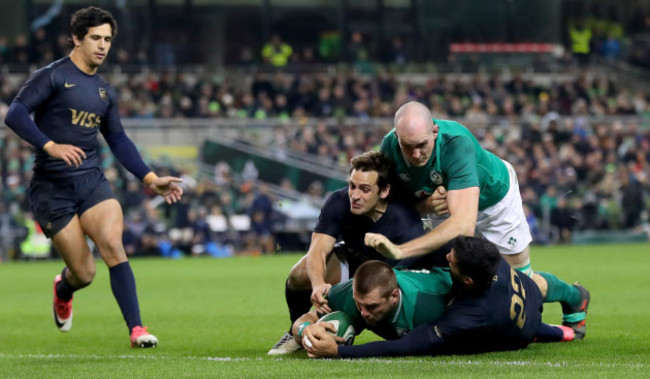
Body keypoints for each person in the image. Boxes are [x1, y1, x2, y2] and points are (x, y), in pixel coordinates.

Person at [4, 6, 183, 348]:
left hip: (91, 183)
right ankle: (63, 288)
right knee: (85, 273)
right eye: (95, 38)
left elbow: (117, 138)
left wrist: (150, 178)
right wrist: (51, 145)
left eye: (108, 39)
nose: (102, 46)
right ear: (76, 38)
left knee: (113, 245)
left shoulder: (104, 91)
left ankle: (137, 330)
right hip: (51, 189)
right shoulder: (53, 76)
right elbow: (15, 113)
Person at [376, 101, 589, 337]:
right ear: (397, 137)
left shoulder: (456, 143)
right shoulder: (389, 147)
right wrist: (422, 206)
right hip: (445, 212)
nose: (416, 154)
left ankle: (574, 296)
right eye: (408, 146)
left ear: (435, 131)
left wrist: (403, 250)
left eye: (422, 145)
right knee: (451, 279)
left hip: (495, 203)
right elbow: (391, 202)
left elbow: (463, 225)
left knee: (519, 287)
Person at [303, 236, 576, 358]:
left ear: (467, 281)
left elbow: (406, 347)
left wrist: (339, 351)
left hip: (519, 332)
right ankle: (562, 328)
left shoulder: (466, 315)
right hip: (526, 297)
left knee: (460, 343)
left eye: (452, 261)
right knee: (537, 283)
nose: (447, 257)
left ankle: (557, 326)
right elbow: (436, 229)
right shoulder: (486, 255)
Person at [268, 151, 429, 355]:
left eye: (364, 189)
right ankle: (296, 332)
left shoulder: (404, 221)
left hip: (388, 275)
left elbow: (399, 279)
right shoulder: (338, 201)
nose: (355, 195)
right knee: (300, 273)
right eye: (352, 186)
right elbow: (317, 250)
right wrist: (318, 285)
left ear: (384, 191)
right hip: (352, 262)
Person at [292, 260, 453, 345]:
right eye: (359, 304)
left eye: (372, 306)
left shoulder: (428, 307)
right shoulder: (349, 293)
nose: (363, 313)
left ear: (394, 296)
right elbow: (307, 318)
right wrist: (305, 330)